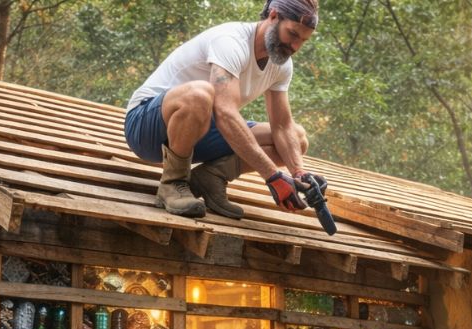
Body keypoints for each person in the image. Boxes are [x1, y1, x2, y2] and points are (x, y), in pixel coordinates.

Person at [124, 0, 324, 219]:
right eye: (293, 34)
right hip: (145, 127)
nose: (295, 46)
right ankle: (173, 183)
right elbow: (225, 113)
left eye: (303, 40)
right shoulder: (230, 41)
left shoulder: (282, 64)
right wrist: (273, 176)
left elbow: (282, 126)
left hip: (198, 132)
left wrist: (299, 173)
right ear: (274, 15)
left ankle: (211, 177)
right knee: (201, 94)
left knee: (298, 138)